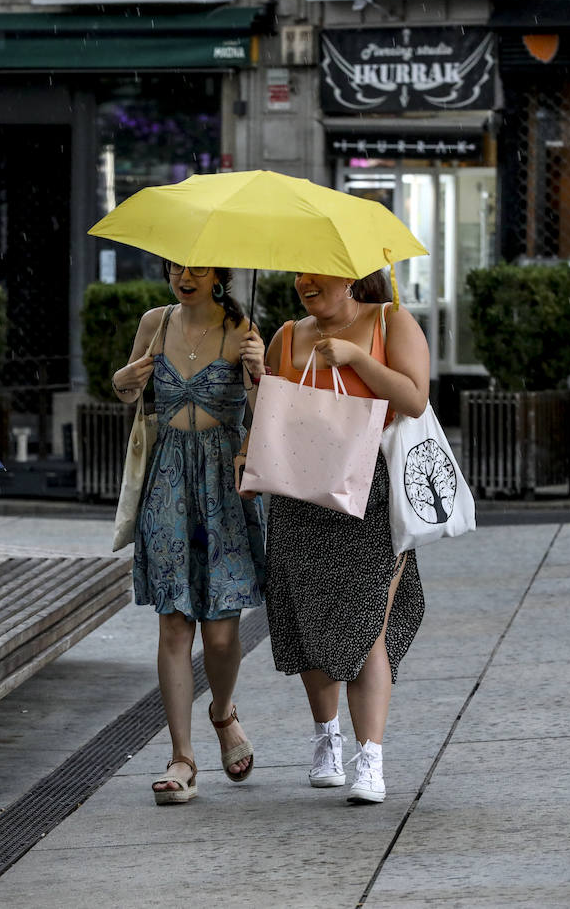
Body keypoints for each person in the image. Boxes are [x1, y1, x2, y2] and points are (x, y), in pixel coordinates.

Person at [238, 267, 429, 804]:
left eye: (317, 272)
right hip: (299, 497)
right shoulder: (284, 336)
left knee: (367, 621)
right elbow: (272, 418)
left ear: (349, 275)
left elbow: (415, 400)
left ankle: (370, 759)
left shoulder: (390, 322)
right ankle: (327, 740)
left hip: (369, 494)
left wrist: (358, 360)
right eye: (299, 273)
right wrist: (257, 386)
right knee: (312, 620)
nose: (305, 281)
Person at [111, 261, 268, 805]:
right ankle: (183, 758)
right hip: (168, 484)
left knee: (222, 632)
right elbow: (130, 391)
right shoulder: (155, 322)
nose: (185, 275)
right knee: (174, 623)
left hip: (224, 485)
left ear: (218, 274)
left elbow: (263, 416)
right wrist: (123, 383)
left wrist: (260, 375)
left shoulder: (243, 331)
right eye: (177, 265)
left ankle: (222, 712)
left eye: (198, 268)